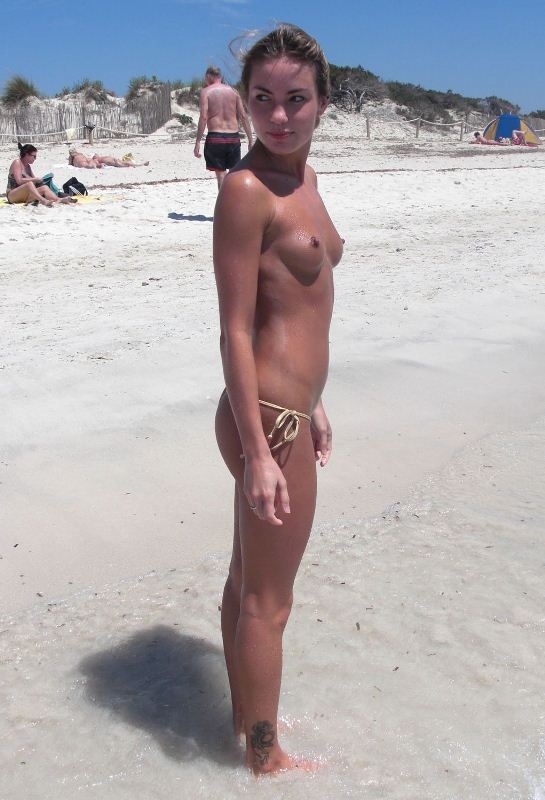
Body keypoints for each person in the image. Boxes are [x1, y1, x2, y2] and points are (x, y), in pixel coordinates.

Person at [213, 24, 344, 775]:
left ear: (322, 100)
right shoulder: (245, 190)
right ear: (243, 102)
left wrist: (316, 399)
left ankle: (243, 725)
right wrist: (261, 453)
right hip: (267, 419)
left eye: (295, 98)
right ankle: (265, 764)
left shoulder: (308, 182)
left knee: (246, 583)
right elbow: (234, 329)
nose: (279, 115)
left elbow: (294, 309)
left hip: (291, 411)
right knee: (270, 601)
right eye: (262, 99)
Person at [193, 65, 253, 190]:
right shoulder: (234, 91)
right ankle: (234, 201)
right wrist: (250, 139)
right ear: (220, 76)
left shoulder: (206, 92)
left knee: (221, 175)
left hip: (216, 137)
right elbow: (243, 116)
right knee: (234, 174)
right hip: (233, 138)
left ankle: (223, 202)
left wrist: (198, 141)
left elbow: (203, 117)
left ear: (208, 76)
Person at [6, 143, 76, 206]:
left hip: (24, 195)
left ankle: (59, 199)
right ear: (27, 155)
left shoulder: (28, 166)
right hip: (12, 196)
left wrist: (40, 180)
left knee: (44, 187)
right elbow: (19, 181)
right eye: (34, 156)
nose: (35, 159)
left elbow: (34, 181)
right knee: (29, 184)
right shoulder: (17, 162)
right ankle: (43, 201)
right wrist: (35, 179)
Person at [68, 148, 149, 168]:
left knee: (122, 163)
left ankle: (139, 164)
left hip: (107, 160)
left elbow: (70, 163)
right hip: (107, 160)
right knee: (122, 163)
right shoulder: (77, 156)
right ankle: (139, 165)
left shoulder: (77, 157)